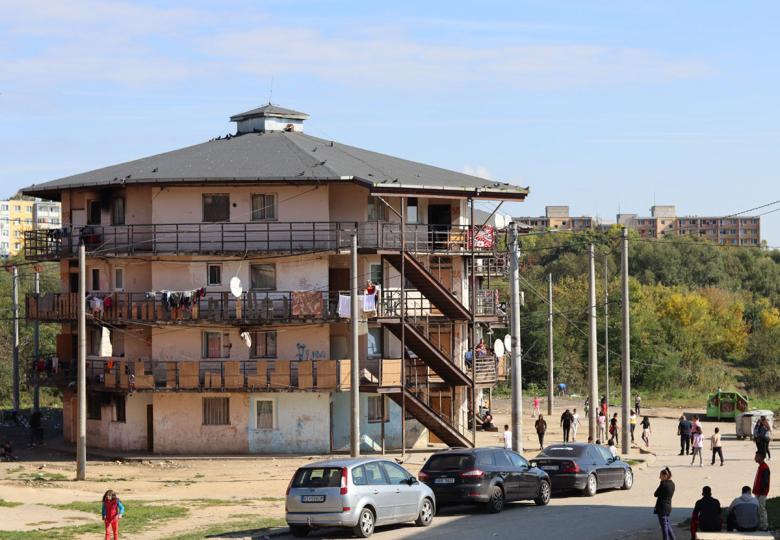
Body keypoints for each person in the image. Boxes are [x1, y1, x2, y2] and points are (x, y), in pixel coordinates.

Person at [654, 467, 676, 540]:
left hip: (662, 508)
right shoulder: (672, 484)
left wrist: (661, 484)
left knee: (664, 528)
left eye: (660, 475)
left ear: (665, 476)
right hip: (668, 507)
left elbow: (656, 494)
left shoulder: (663, 484)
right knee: (667, 525)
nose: (659, 477)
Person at [753, 451, 770, 530]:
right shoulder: (761, 466)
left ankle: (764, 526)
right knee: (758, 508)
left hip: (761, 493)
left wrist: (761, 492)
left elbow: (765, 482)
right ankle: (760, 524)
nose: (755, 458)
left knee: (762, 508)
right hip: (758, 492)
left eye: (757, 456)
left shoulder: (765, 468)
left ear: (761, 457)